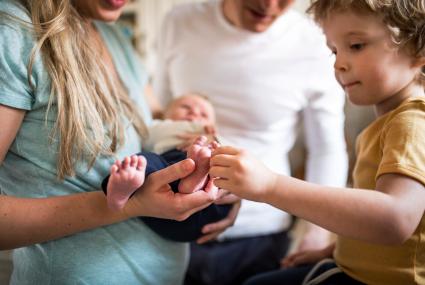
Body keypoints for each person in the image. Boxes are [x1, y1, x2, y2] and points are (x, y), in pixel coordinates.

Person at [0, 0, 221, 284]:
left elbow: (158, 128)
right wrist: (131, 205)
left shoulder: (114, 36)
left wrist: (224, 188)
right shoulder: (13, 33)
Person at [209, 0, 425, 284]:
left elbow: (395, 220)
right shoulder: (390, 123)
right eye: (334, 50)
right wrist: (335, 250)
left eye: (356, 46)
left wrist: (270, 186)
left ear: (417, 48)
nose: (339, 63)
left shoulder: (411, 123)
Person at [153, 0, 348, 284]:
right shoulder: (179, 22)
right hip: (177, 226)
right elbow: (162, 114)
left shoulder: (314, 42)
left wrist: (317, 232)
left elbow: (326, 149)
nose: (269, 5)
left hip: (262, 234)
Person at [102, 93, 231, 242]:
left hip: (205, 209)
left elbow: (233, 155)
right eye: (186, 107)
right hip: (164, 190)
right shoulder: (160, 126)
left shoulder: (211, 134)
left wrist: (214, 139)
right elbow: (146, 136)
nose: (194, 113)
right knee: (143, 161)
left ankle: (196, 178)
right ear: (165, 114)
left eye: (204, 114)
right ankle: (121, 193)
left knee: (215, 165)